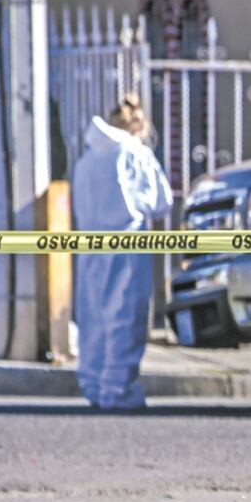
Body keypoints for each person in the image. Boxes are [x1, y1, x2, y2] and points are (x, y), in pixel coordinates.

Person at [72, 96, 172, 409]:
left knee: (94, 317)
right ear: (137, 127)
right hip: (126, 244)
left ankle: (93, 384)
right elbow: (160, 201)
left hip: (90, 248)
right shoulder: (135, 154)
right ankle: (118, 389)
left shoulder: (86, 160)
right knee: (124, 317)